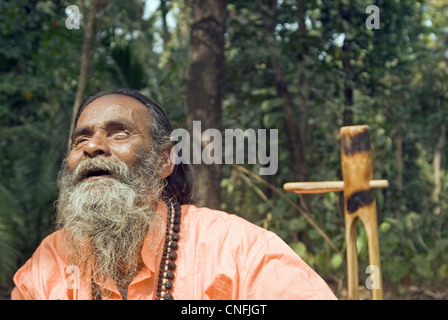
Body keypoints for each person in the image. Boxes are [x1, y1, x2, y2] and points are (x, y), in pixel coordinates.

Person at [11, 88, 337, 300]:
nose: (93, 147)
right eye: (80, 140)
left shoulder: (239, 251)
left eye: (118, 133)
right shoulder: (48, 264)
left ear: (165, 159)